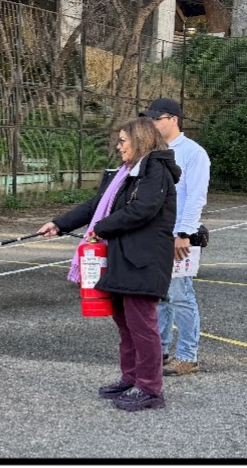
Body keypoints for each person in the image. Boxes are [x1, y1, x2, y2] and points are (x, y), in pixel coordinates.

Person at [39, 117, 181, 412]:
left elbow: (143, 209)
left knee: (143, 327)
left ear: (140, 140)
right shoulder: (123, 174)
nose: (118, 147)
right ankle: (131, 379)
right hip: (119, 259)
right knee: (126, 325)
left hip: (143, 261)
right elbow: (94, 206)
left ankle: (150, 389)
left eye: (122, 141)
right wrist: (59, 224)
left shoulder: (157, 170)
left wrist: (100, 228)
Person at [140, 98, 211, 377]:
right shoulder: (151, 151)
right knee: (160, 297)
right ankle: (160, 350)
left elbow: (196, 197)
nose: (152, 124)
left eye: (157, 119)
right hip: (155, 235)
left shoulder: (193, 153)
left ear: (173, 119)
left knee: (181, 295)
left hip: (179, 236)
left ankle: (187, 356)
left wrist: (184, 233)